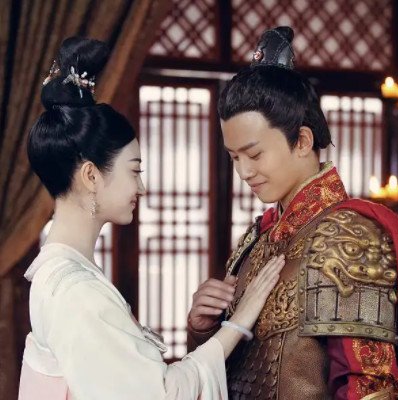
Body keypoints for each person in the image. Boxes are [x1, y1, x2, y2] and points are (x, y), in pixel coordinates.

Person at [18, 37, 285, 400]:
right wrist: (238, 322)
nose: (141, 187)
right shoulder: (75, 291)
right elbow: (161, 394)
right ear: (91, 176)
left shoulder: (62, 273)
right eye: (135, 170)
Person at [187, 27, 398, 399]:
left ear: (303, 141)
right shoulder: (257, 239)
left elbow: (370, 387)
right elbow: (239, 370)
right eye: (234, 158)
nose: (244, 171)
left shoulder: (348, 236)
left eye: (254, 154)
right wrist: (205, 328)